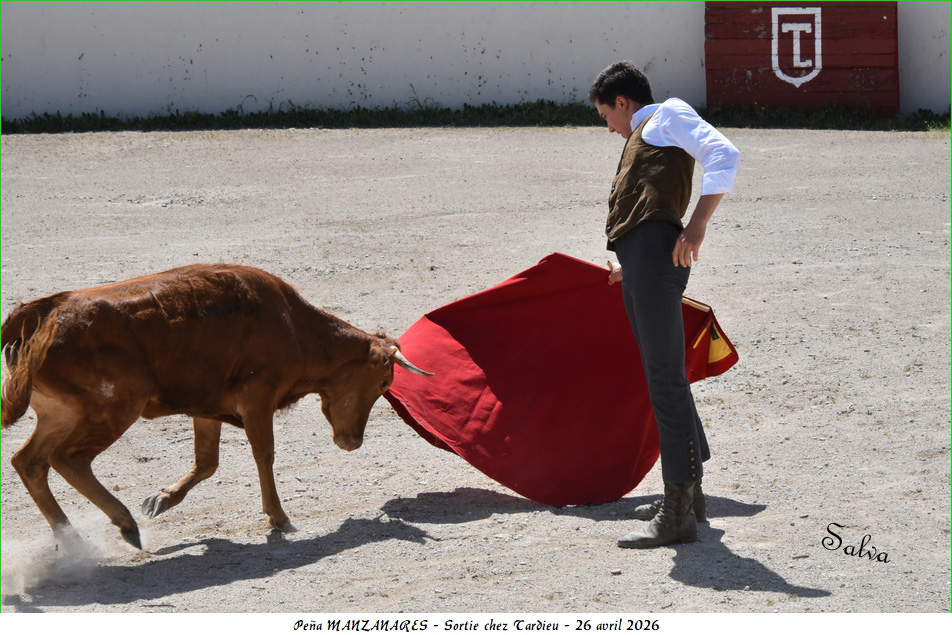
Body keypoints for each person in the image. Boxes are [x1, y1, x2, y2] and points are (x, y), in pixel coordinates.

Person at [589, 61, 741, 548]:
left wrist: (697, 225)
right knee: (664, 376)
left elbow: (724, 153)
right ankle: (690, 498)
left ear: (622, 102)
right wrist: (631, 266)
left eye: (606, 116)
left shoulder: (668, 114)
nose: (608, 127)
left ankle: (676, 512)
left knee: (665, 381)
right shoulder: (648, 131)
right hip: (643, 262)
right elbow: (647, 206)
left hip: (656, 259)